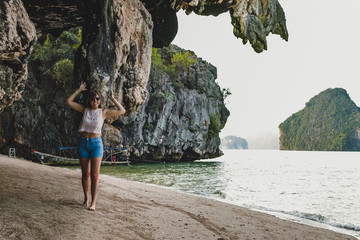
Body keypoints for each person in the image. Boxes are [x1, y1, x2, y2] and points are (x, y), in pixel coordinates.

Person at [66, 82, 126, 211]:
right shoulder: (84, 110)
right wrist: (79, 90)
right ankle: (86, 200)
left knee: (95, 176)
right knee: (85, 174)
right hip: (83, 143)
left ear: (100, 100)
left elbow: (122, 111)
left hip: (96, 144)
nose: (95, 101)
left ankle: (93, 202)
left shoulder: (103, 112)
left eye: (97, 99)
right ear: (89, 100)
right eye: (93, 99)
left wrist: (113, 98)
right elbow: (69, 101)